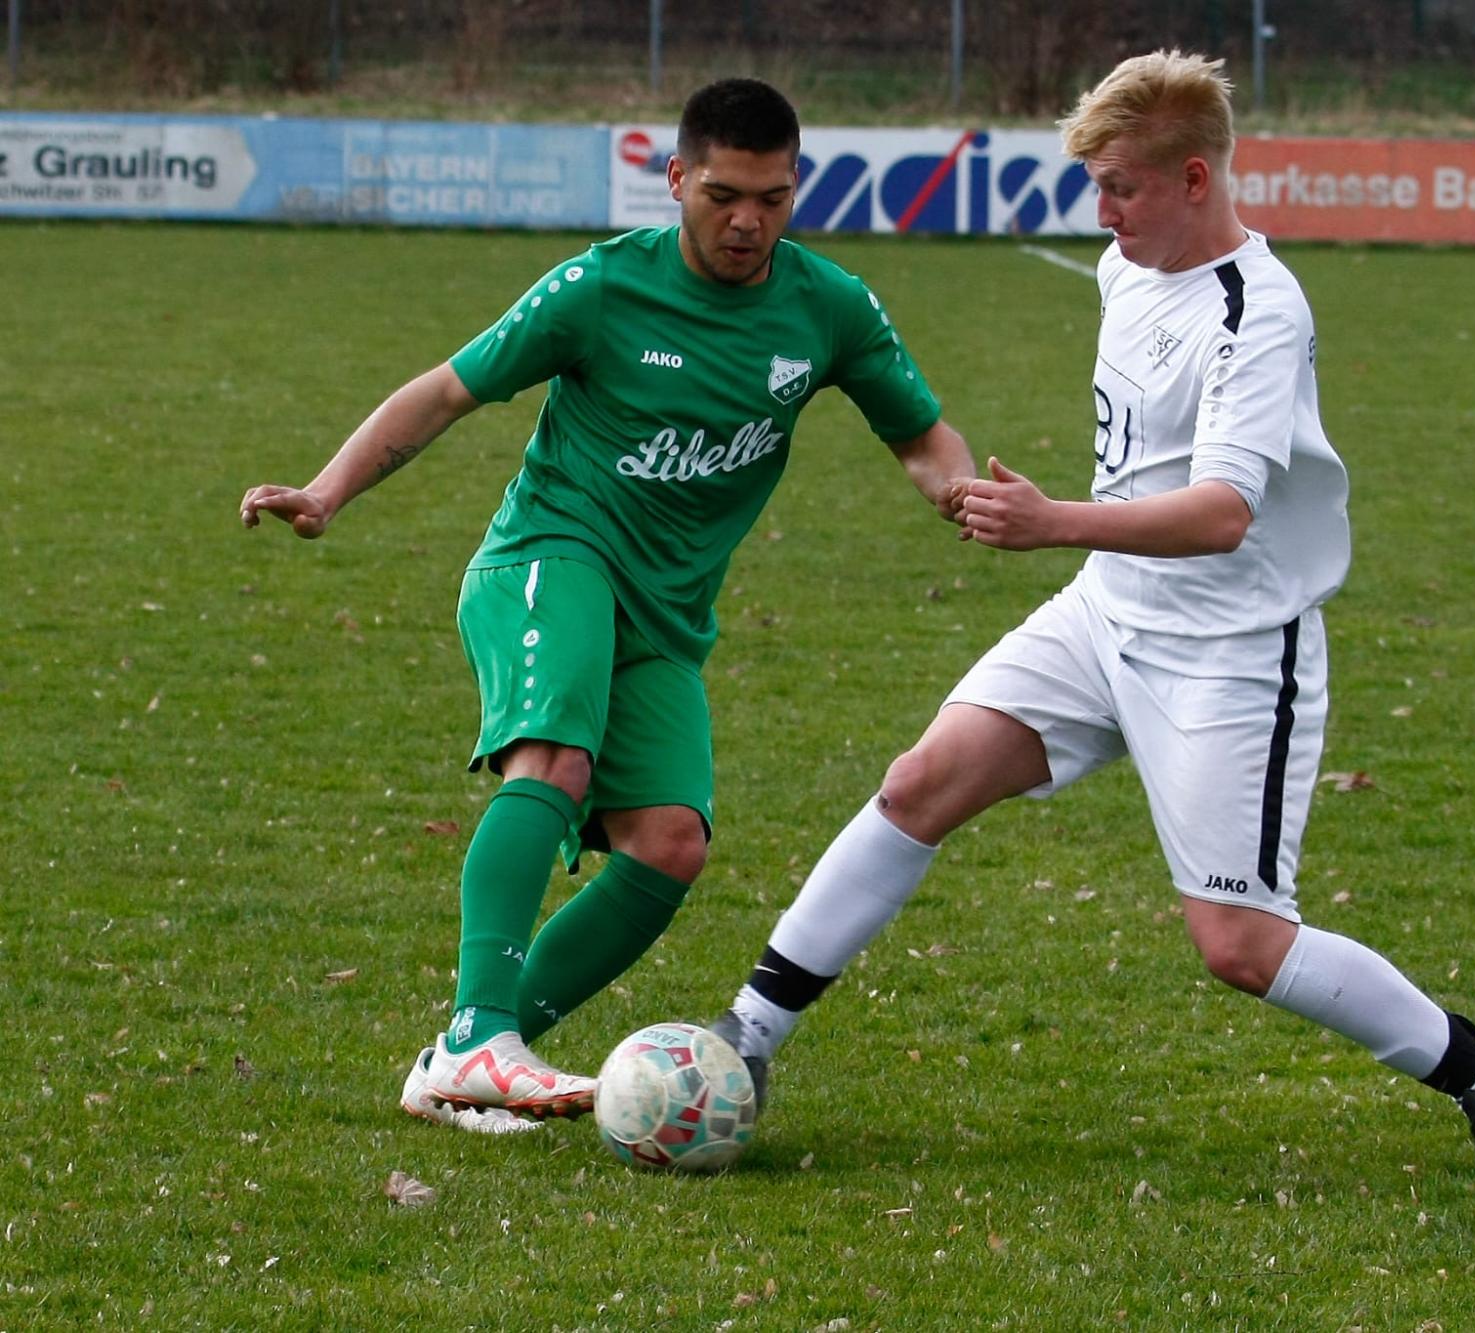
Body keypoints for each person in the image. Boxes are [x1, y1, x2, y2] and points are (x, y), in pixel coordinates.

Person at [711, 50, 1475, 1178]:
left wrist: (1053, 520)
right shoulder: (1129, 268)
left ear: (1196, 179)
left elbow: (1221, 511)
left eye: (1119, 185)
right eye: (1094, 185)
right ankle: (747, 1037)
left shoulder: (1253, 313)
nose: (1100, 209)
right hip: (1105, 614)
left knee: (1239, 944)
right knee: (920, 782)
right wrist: (1074, 541)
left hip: (1225, 650)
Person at [240, 78, 974, 1135]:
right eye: (723, 193)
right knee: (557, 759)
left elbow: (920, 434)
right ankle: (484, 1034)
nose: (746, 220)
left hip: (665, 615)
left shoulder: (828, 308)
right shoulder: (598, 287)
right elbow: (447, 389)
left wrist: (956, 489)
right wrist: (326, 491)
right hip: (549, 558)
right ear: (676, 178)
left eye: (771, 198)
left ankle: (464, 1052)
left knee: (669, 840)